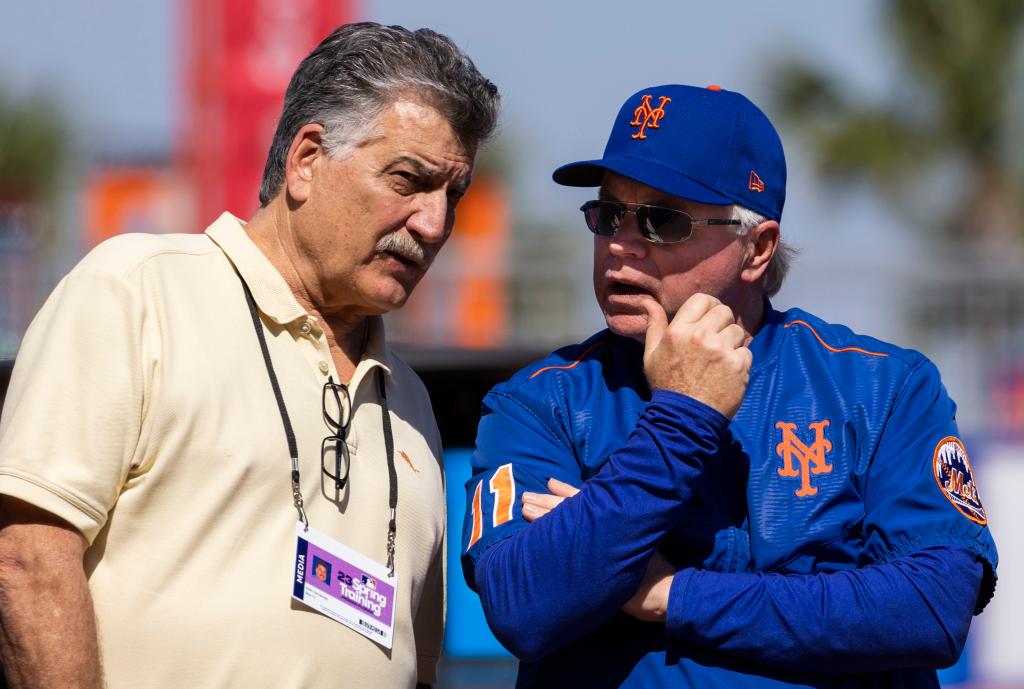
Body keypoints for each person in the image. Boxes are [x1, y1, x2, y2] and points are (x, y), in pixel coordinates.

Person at [0, 22, 498, 689]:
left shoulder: (410, 401)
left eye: (452, 196)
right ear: (307, 160)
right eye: (409, 180)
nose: (435, 224)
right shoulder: (140, 290)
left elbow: (420, 663)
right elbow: (28, 557)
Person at [461, 84, 997, 688]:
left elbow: (930, 609)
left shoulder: (882, 387)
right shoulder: (541, 402)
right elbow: (523, 608)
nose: (619, 243)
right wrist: (681, 417)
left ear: (757, 248)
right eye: (607, 214)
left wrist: (669, 594)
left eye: (663, 219)